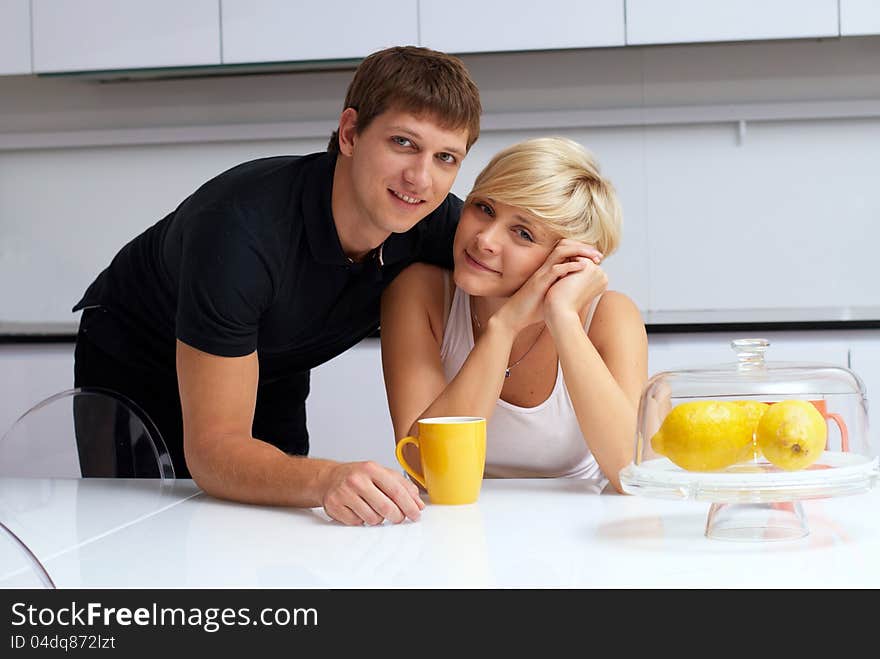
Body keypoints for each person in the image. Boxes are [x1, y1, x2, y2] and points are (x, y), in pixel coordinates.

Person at [71, 45, 482, 525]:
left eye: (446, 157)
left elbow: (525, 261)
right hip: (137, 359)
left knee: (271, 527)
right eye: (403, 144)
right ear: (350, 133)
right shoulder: (240, 230)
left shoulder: (432, 222)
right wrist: (326, 477)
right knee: (136, 534)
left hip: (272, 360)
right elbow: (213, 451)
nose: (420, 178)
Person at [380, 137, 647, 493]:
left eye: (522, 233)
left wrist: (563, 318)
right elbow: (425, 470)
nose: (485, 239)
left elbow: (632, 477)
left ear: (568, 259)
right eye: (484, 208)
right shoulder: (420, 293)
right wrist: (503, 328)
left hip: (578, 534)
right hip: (453, 524)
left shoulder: (609, 316)